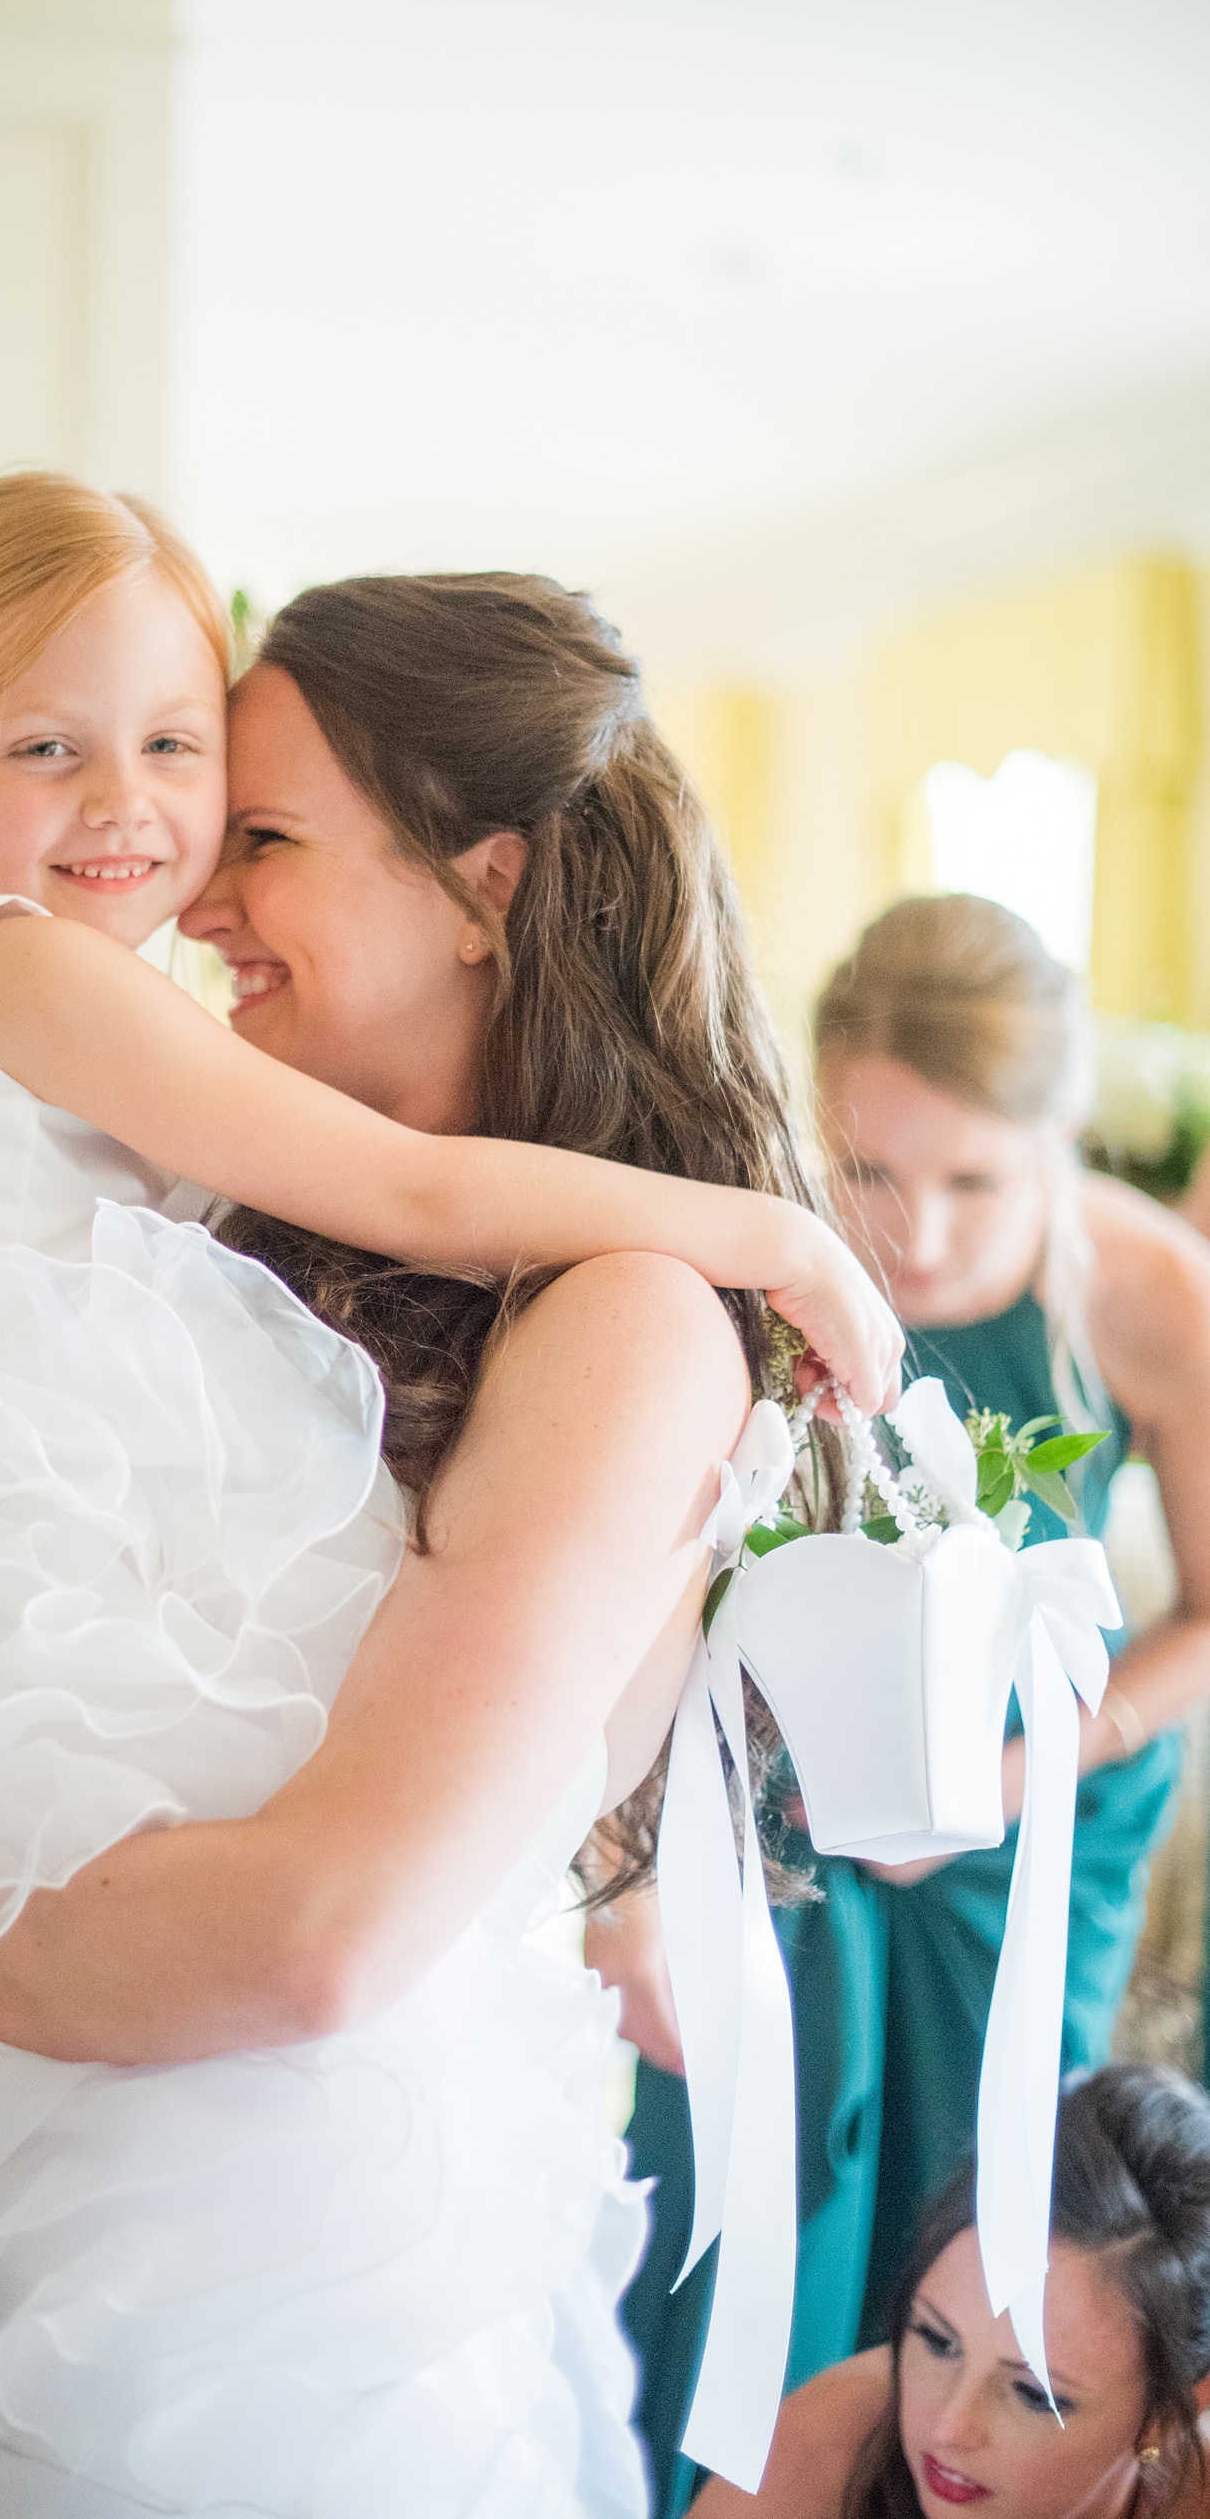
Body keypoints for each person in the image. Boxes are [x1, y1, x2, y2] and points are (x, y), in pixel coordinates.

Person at [0, 478, 898, 2517]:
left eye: (246, 818)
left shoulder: (616, 1315)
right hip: (23, 2146)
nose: (190, 882)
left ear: (479, 886)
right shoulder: (230, 1210)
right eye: (68, 753)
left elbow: (319, 1928)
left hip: (227, 2201)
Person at [607, 893, 1210, 2515]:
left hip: (1039, 1807)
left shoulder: (1152, 1300)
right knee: (747, 2188)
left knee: (997, 2221)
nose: (919, 1232)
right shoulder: (759, 1258)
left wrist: (1014, 1777)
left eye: (973, 1182)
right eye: (870, 1170)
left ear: (1058, 1140)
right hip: (790, 1785)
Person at [694, 2063, 1210, 2519]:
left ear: (1167, 2416)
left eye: (1034, 2396)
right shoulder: (822, 2456)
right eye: (938, 2341)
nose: (947, 2427)